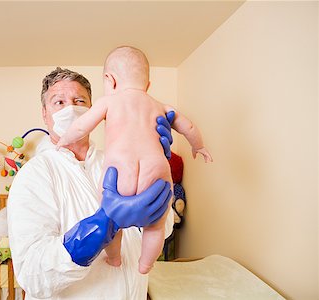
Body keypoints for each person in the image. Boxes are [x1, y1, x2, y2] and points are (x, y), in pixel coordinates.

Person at [7, 67, 175, 299]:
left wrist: (155, 173)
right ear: (44, 113)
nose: (71, 108)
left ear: (93, 109)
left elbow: (164, 229)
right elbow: (33, 275)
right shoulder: (34, 175)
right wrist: (101, 226)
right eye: (59, 102)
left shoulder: (117, 161)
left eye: (79, 100)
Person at [57, 46, 213, 274]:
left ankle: (114, 258)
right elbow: (188, 126)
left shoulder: (108, 102)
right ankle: (146, 264)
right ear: (147, 85)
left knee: (111, 218)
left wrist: (63, 140)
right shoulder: (160, 106)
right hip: (156, 170)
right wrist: (198, 146)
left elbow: (80, 126)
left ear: (110, 80)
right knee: (155, 225)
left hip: (119, 171)